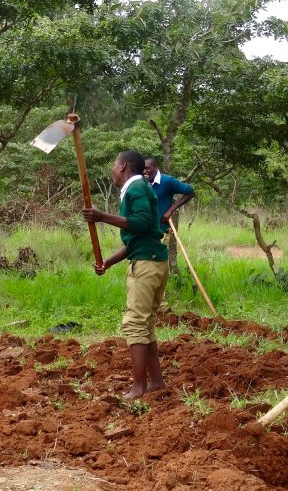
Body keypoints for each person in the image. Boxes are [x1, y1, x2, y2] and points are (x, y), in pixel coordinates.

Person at [82, 150, 168, 400]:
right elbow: (138, 237)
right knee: (146, 324)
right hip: (150, 260)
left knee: (135, 324)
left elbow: (140, 223)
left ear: (123, 167)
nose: (112, 170)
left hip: (147, 265)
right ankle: (156, 383)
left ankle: (138, 388)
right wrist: (108, 262)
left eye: (114, 164)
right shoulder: (137, 189)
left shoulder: (136, 188)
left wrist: (102, 217)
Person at [143, 156, 195, 232]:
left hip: (159, 230)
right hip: (142, 229)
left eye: (147, 168)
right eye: (142, 168)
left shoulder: (167, 181)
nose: (144, 171)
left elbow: (190, 192)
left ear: (155, 167)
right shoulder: (141, 182)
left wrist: (170, 210)